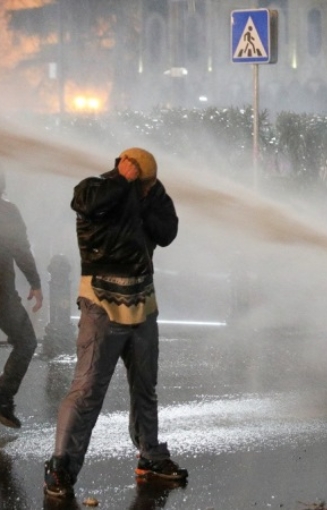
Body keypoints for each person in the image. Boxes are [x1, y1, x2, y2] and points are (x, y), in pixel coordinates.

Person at [44, 148, 186, 499]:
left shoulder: (149, 196)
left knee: (145, 387)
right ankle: (60, 467)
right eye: (145, 182)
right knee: (87, 390)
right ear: (125, 170)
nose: (150, 189)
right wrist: (123, 183)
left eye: (152, 184)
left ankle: (150, 456)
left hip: (143, 304)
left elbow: (167, 231)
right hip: (101, 307)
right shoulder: (96, 189)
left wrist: (146, 197)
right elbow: (86, 205)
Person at [0, 169, 43, 429]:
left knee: (26, 341)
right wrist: (35, 283)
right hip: (2, 294)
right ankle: (3, 398)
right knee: (26, 341)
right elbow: (21, 249)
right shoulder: (7, 212)